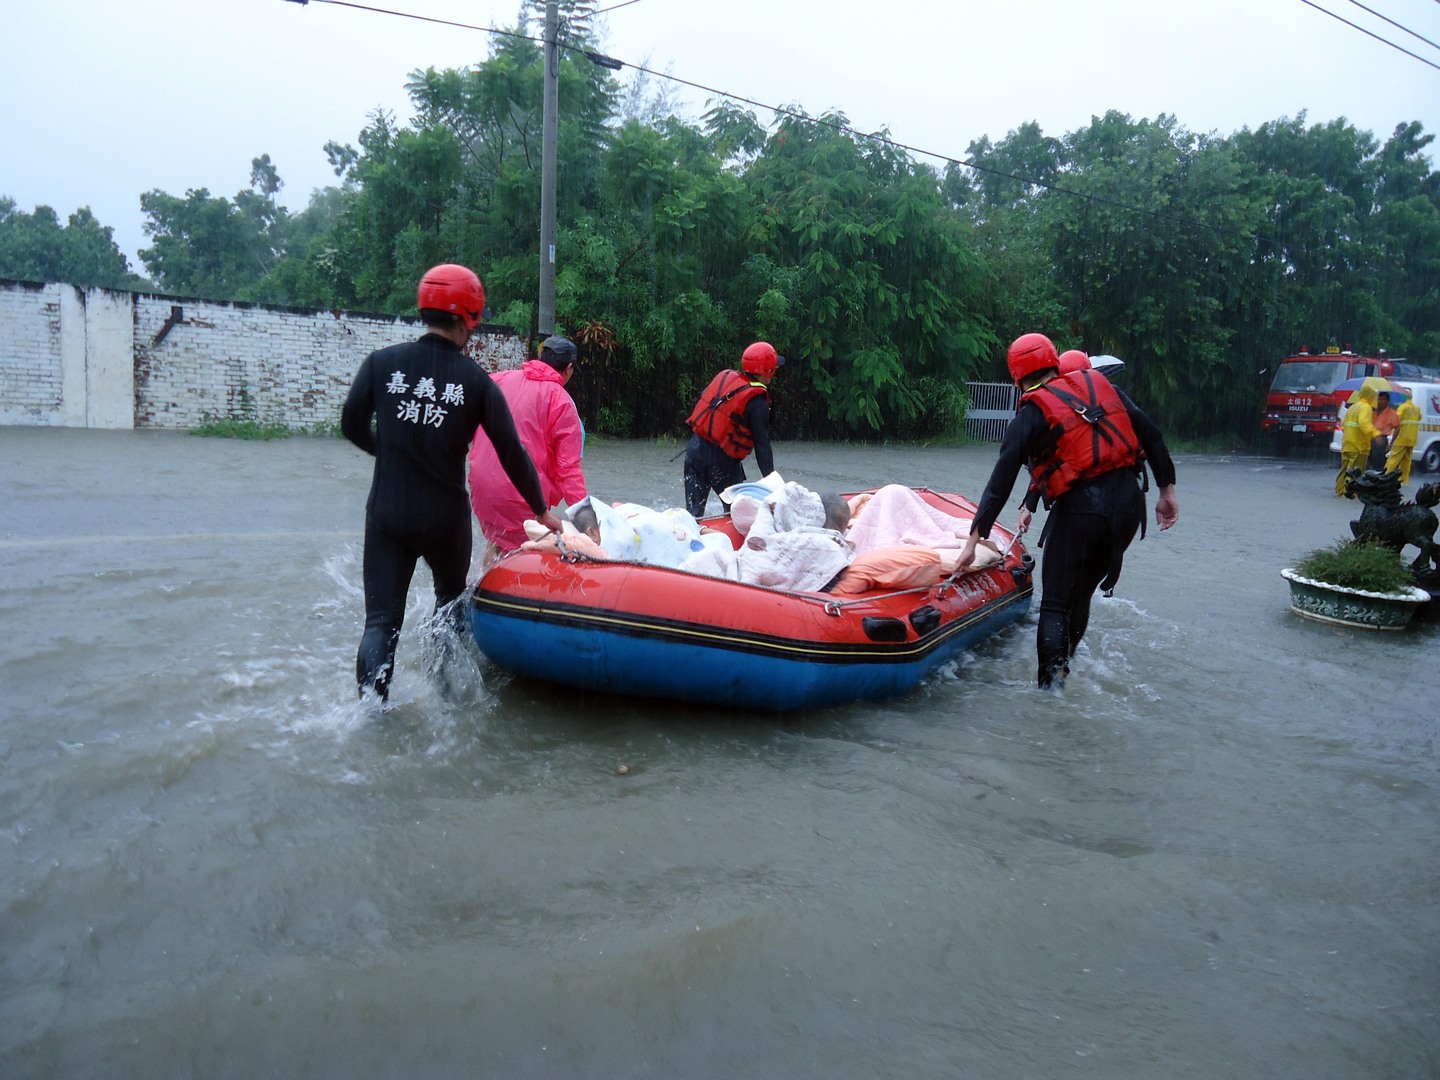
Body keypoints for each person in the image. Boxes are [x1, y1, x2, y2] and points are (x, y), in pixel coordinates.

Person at [340, 263, 562, 701]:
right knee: (448, 607)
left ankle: (369, 717)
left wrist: (388, 452)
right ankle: (448, 698)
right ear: (470, 317)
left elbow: (350, 425)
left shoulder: (382, 364)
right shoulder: (476, 383)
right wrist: (541, 511)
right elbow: (512, 453)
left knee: (382, 622)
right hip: (446, 520)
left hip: (389, 513)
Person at [955, 332, 1179, 689]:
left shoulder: (1032, 411)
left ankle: (1051, 691)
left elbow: (1001, 480)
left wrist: (973, 539)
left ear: (1017, 376)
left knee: (1056, 603)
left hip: (1083, 510)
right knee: (1082, 592)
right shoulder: (1100, 385)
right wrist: (1167, 490)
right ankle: (1067, 660)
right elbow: (1151, 435)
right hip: (1128, 507)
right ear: (1054, 362)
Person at [467, 335, 586, 555]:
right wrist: (587, 521)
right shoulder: (560, 400)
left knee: (498, 544)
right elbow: (568, 471)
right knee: (526, 551)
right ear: (568, 368)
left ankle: (482, 582)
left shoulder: (498, 379)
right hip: (522, 497)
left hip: (481, 491)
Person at [682, 341, 783, 517]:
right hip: (723, 465)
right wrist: (772, 482)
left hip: (694, 454)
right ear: (769, 371)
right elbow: (762, 446)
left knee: (694, 515)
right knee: (737, 515)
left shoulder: (726, 379)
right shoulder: (758, 403)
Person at [1336, 384, 1380, 495]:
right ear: (1371, 396)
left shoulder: (1353, 407)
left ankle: (1340, 490)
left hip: (1347, 444)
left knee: (1345, 469)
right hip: (1359, 446)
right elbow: (1364, 423)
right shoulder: (1365, 407)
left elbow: (1343, 425)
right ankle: (1349, 492)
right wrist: (1376, 434)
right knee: (1355, 471)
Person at [1386, 395, 1422, 484]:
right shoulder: (1417, 408)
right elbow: (1420, 417)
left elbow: (1396, 419)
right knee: (1407, 461)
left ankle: (1385, 477)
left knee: (1393, 459)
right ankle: (1404, 479)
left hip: (1401, 438)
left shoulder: (1403, 407)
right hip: (1412, 439)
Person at [1370, 391, 1399, 472]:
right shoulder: (1373, 412)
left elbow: (1397, 428)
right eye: (1379, 399)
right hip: (1370, 438)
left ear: (1387, 401)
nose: (1380, 401)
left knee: (1378, 463)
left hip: (1381, 440)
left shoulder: (1392, 413)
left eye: (1383, 399)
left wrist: (1391, 444)